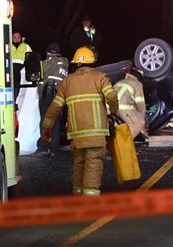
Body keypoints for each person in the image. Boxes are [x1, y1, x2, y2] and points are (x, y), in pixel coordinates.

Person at [41, 46, 119, 196]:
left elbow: (54, 108)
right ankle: (89, 200)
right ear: (93, 62)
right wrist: (114, 112)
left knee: (79, 164)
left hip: (76, 134)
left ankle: (77, 194)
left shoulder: (67, 82)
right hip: (96, 134)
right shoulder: (100, 78)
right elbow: (112, 97)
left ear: (76, 63)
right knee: (93, 164)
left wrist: (47, 128)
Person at [33, 43, 69, 158]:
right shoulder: (64, 63)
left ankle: (43, 147)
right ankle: (54, 150)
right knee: (56, 122)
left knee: (45, 121)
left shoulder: (50, 61)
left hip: (49, 94)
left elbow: (40, 70)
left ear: (48, 52)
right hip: (59, 96)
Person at [113, 67, 148, 140]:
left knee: (116, 126)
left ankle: (114, 143)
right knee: (139, 123)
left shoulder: (119, 82)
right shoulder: (137, 83)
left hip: (109, 109)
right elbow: (140, 103)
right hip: (123, 108)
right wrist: (141, 115)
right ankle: (124, 143)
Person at [11, 31, 32, 102]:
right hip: (10, 70)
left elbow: (31, 58)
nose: (16, 39)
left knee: (20, 89)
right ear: (12, 38)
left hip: (21, 70)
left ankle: (18, 102)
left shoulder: (26, 46)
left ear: (21, 38)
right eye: (14, 37)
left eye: (18, 37)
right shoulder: (7, 45)